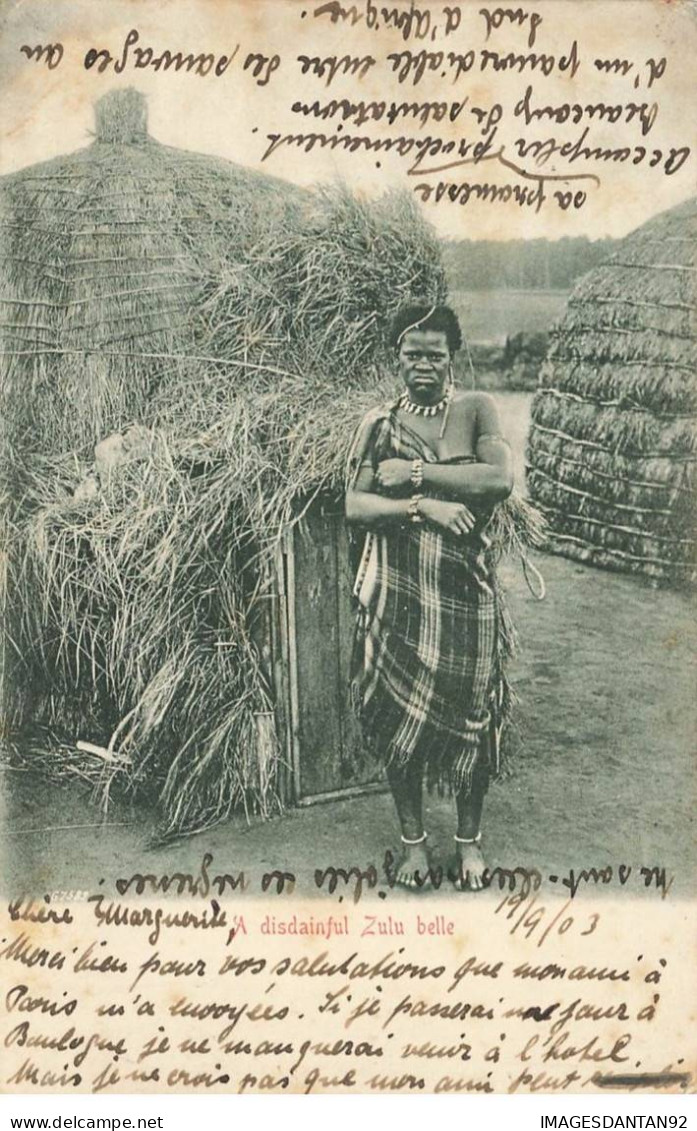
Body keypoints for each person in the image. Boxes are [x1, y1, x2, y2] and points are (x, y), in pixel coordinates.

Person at [345, 301, 514, 891]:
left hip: (467, 594)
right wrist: (422, 508)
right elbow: (358, 504)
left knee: (473, 719)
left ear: (452, 357)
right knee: (398, 718)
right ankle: (414, 845)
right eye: (413, 354)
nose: (423, 365)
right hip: (402, 596)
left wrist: (417, 476)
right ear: (398, 357)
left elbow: (497, 480)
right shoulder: (380, 424)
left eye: (434, 355)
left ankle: (468, 845)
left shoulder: (475, 410)